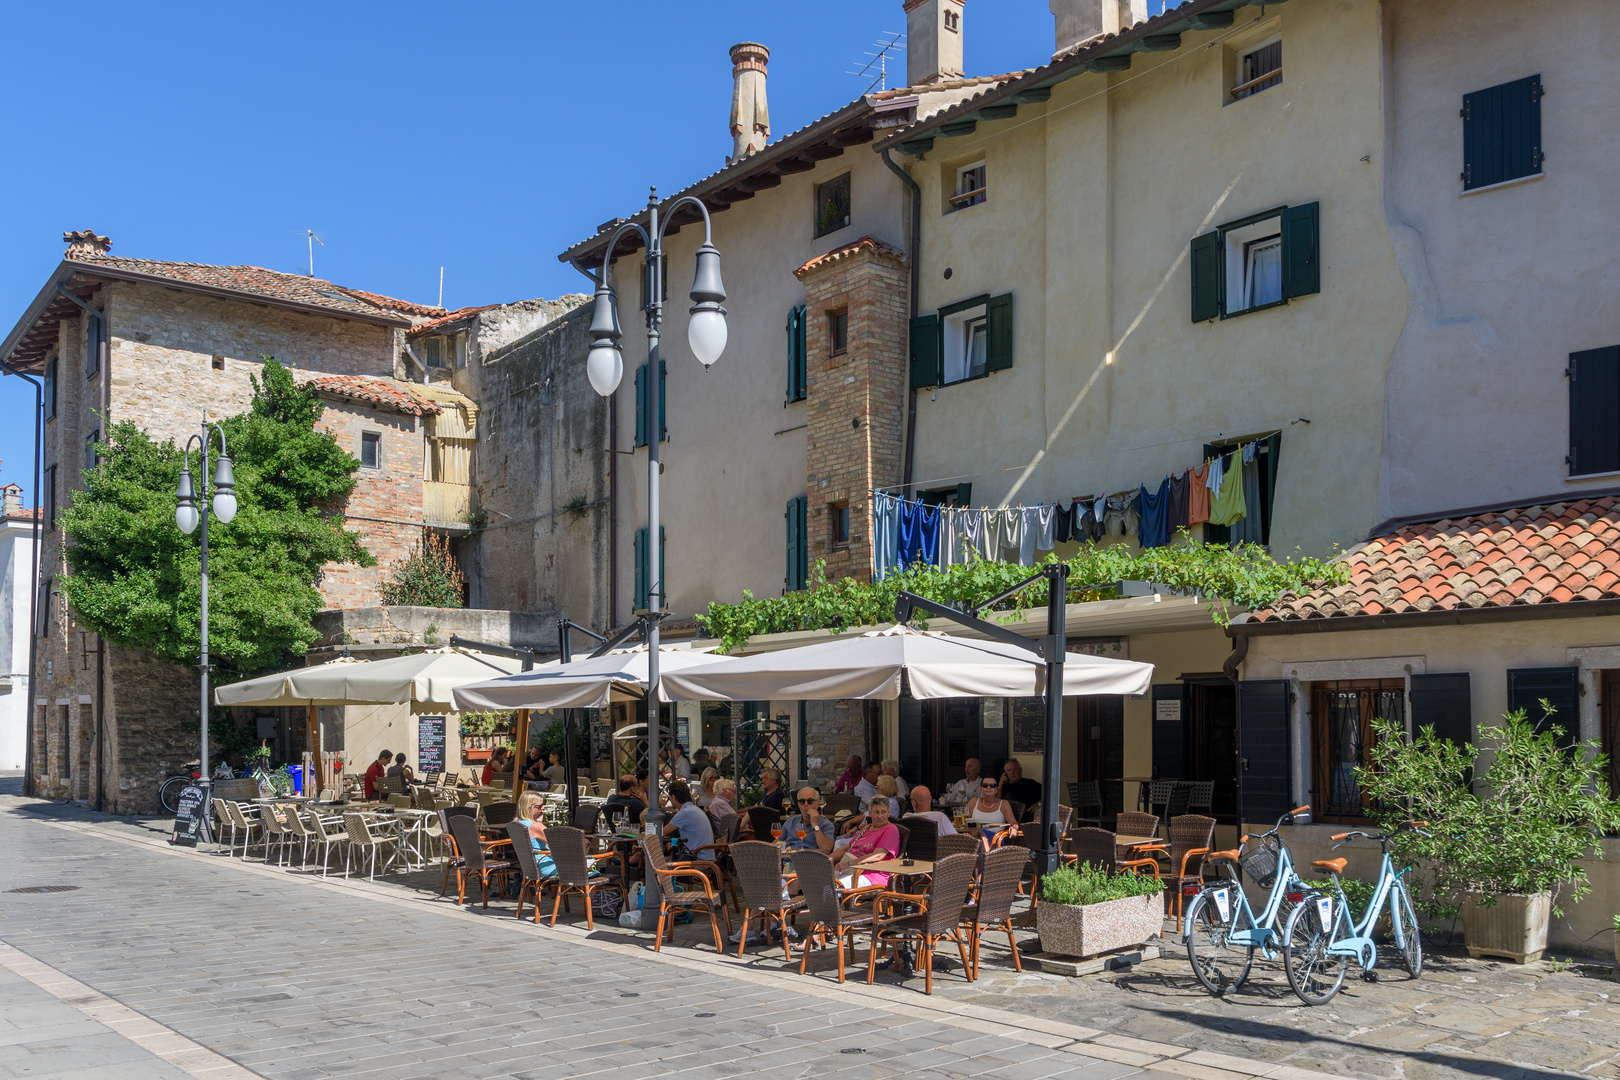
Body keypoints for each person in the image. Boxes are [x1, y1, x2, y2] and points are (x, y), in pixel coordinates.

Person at [832, 796, 901, 888]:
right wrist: (825, 860)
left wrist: (849, 864)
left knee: (833, 887)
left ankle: (829, 901)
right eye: (876, 812)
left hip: (871, 875)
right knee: (821, 880)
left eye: (883, 812)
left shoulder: (890, 829)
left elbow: (878, 855)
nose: (880, 816)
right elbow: (846, 848)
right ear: (870, 813)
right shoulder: (867, 828)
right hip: (851, 871)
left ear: (888, 813)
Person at [663, 781, 714, 858]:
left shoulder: (684, 813)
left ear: (673, 797)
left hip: (698, 859)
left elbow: (661, 833)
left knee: (660, 866)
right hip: (705, 856)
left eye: (669, 798)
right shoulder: (692, 809)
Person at [513, 791, 557, 878]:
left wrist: (539, 821)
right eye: (540, 806)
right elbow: (558, 844)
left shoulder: (517, 824)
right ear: (529, 808)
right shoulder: (536, 827)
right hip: (547, 865)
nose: (543, 808)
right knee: (590, 865)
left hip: (532, 867)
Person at [781, 787, 836, 852]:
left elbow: (826, 850)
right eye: (802, 801)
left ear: (817, 804)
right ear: (798, 804)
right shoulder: (790, 822)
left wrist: (815, 825)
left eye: (810, 801)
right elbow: (777, 842)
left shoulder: (826, 824)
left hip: (810, 860)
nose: (806, 804)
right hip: (787, 859)